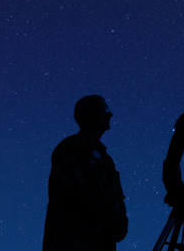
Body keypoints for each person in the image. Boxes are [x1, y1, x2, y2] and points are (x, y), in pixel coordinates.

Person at [43, 95, 128, 251]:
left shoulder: (104, 156)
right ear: (90, 114)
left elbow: (114, 194)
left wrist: (121, 220)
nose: (110, 114)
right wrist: (111, 218)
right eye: (105, 108)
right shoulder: (70, 148)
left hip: (102, 242)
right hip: (72, 242)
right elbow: (77, 193)